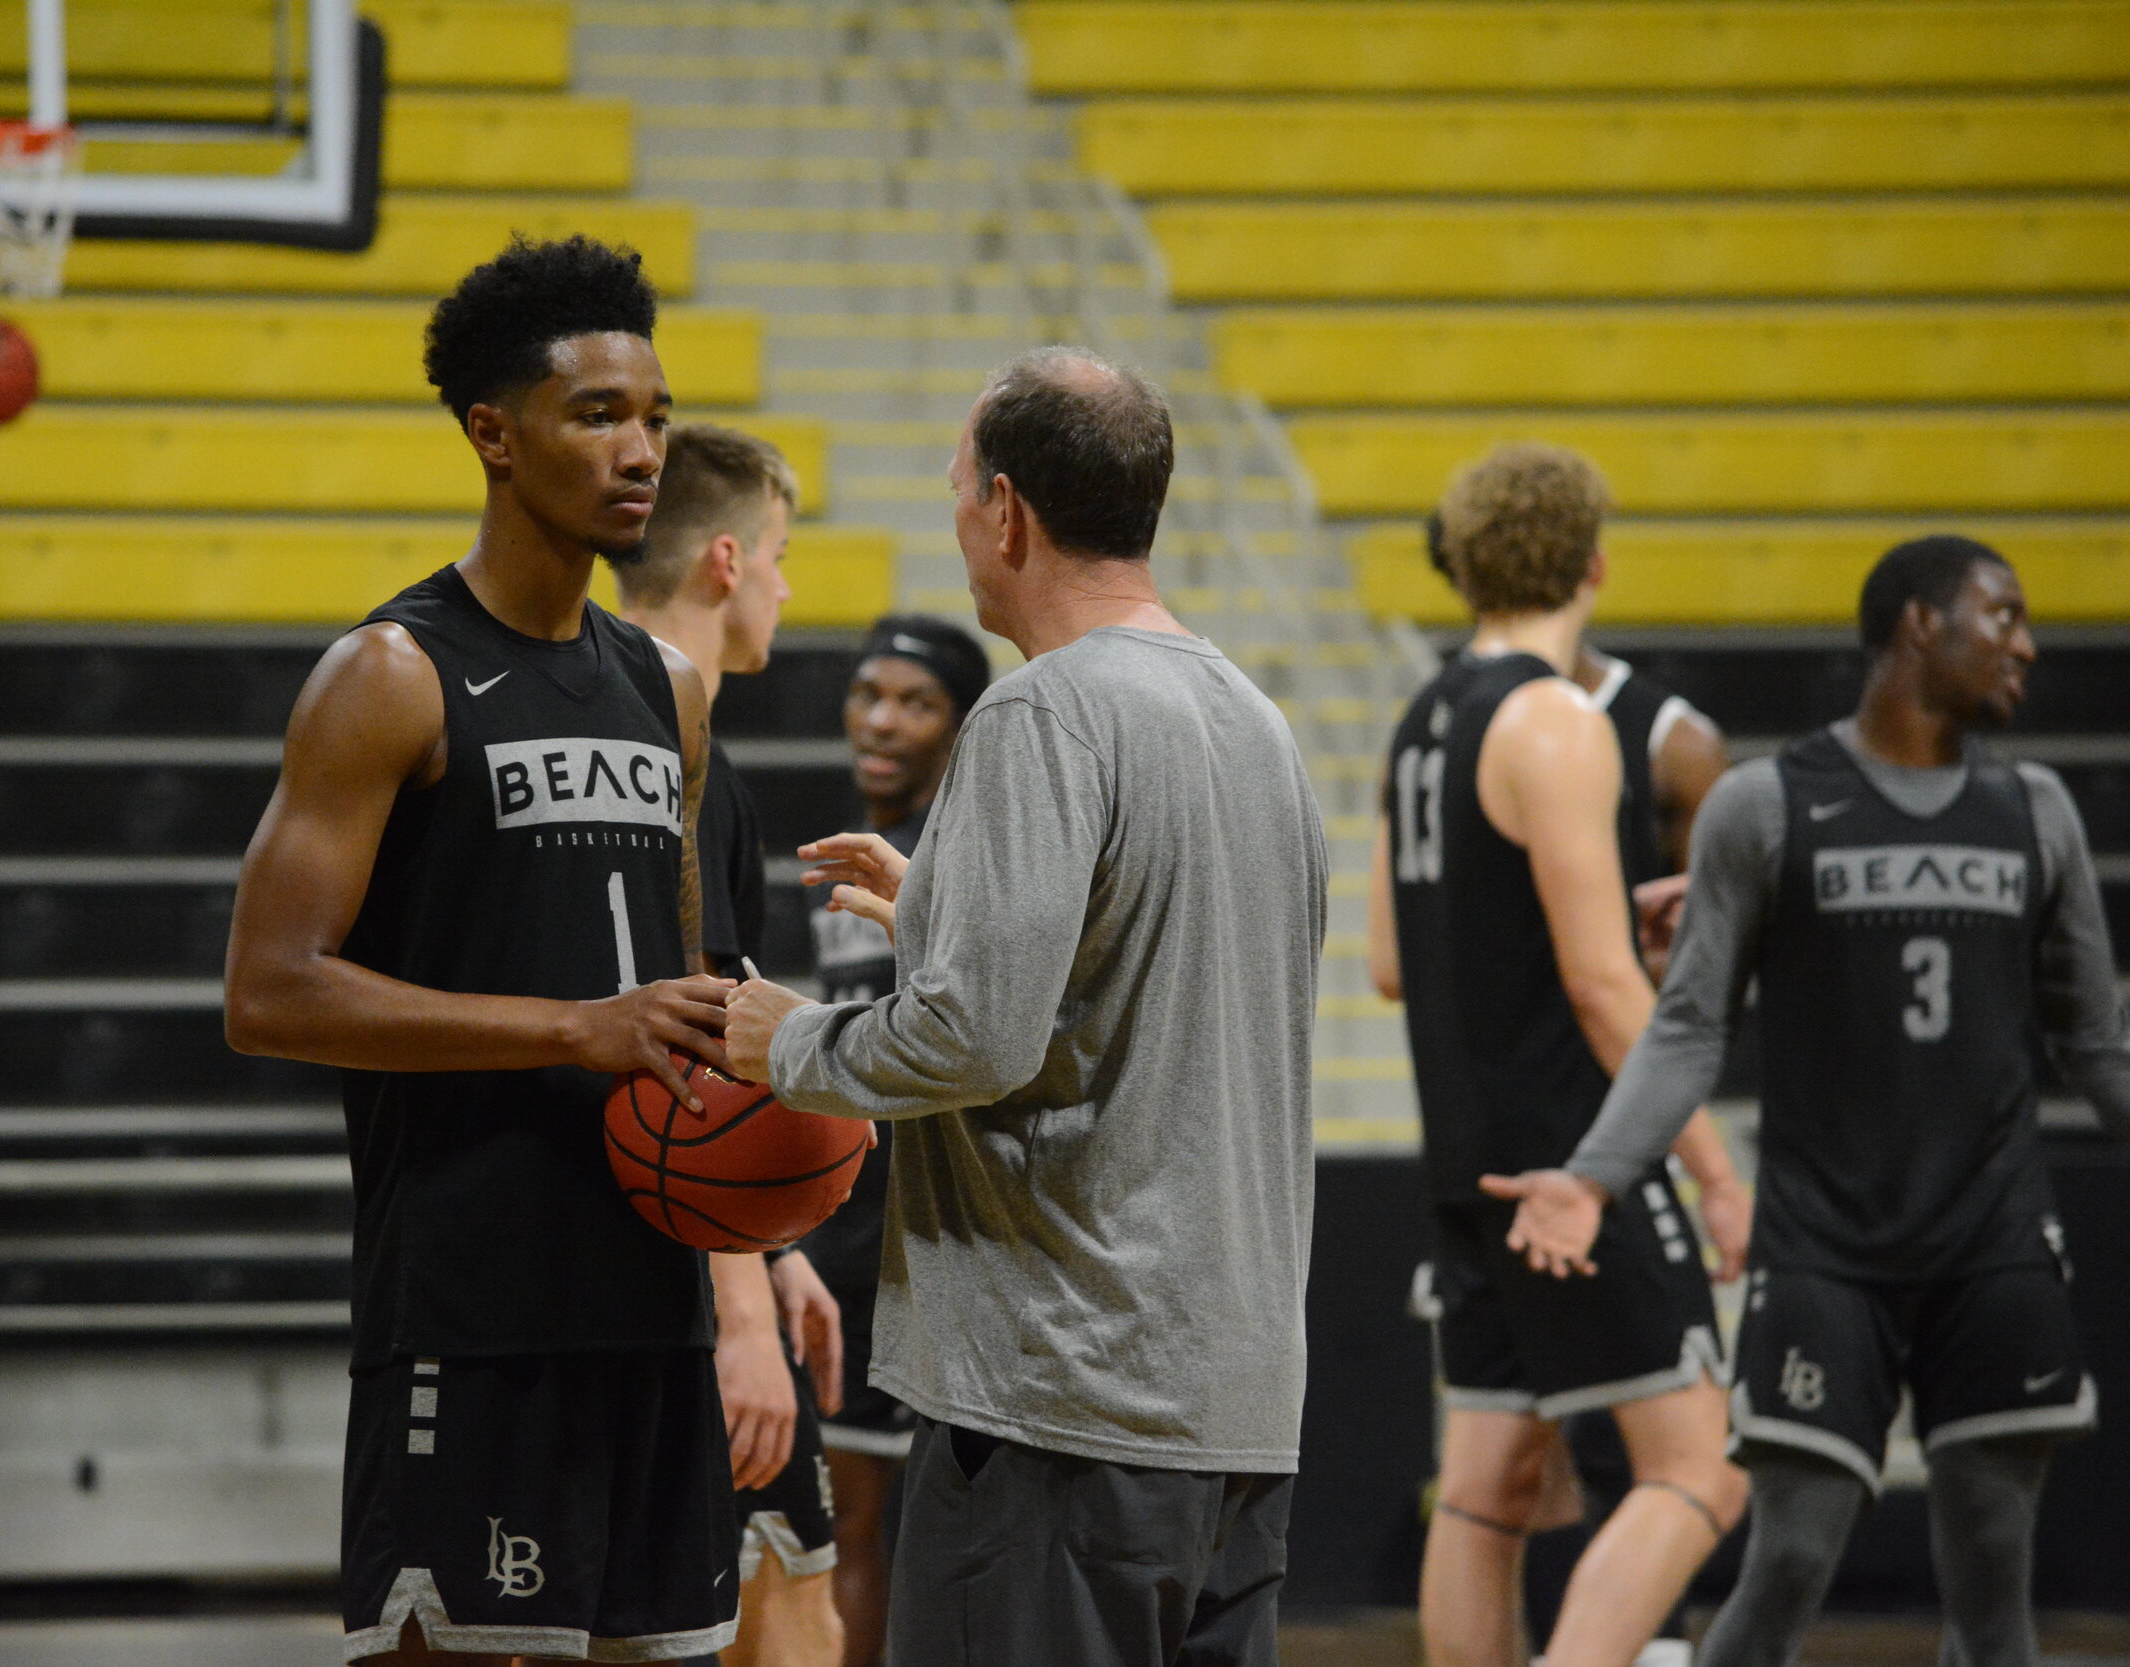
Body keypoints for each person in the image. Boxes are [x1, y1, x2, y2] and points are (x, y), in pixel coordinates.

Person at [726, 347, 1329, 1667]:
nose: (958, 525)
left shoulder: (1038, 715)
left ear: (1007, 510)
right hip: (1235, 1403)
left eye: (954, 492)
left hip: (1064, 1401)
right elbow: (1156, 984)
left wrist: (785, 1042)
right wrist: (947, 906)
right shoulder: (1256, 722)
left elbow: (972, 1039)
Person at [224, 236, 742, 1666]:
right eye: (597, 416)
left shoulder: (668, 690)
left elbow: (681, 1000)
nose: (641, 449)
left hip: (657, 1298)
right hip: (472, 1298)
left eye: (654, 415)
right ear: (491, 434)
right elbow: (267, 991)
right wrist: (574, 1029)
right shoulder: (391, 674)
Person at [1486, 535, 2130, 1667]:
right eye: (2002, 615)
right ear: (1920, 625)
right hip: (1823, 1248)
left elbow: (2092, 1040)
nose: (2025, 643)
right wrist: (1593, 1175)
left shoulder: (2037, 811)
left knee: (1992, 1579)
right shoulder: (1763, 805)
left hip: (1993, 1246)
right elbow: (1686, 1027)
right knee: (1788, 1557)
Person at [1366, 444, 1748, 1667]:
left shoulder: (1424, 716)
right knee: (1701, 1471)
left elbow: (1391, 956)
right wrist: (1718, 1169)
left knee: (1484, 1493)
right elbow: (1601, 987)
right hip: (1572, 1164)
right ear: (1594, 560)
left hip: (1465, 1164)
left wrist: (1569, 912)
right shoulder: (1559, 719)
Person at [610, 421, 848, 1667]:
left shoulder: (621, 711)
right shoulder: (667, 728)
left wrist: (777, 1240)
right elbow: (698, 1047)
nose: (784, 586)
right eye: (779, 554)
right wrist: (742, 1308)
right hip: (673, 1269)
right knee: (793, 1605)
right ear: (721, 559)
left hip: (670, 1243)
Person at [791, 613, 989, 1667]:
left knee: (951, 1539)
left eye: (915, 701)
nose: (881, 718)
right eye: (870, 691)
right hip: (852, 1240)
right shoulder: (837, 852)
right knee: (843, 1522)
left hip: (960, 1239)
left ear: (960, 728)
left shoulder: (969, 856)